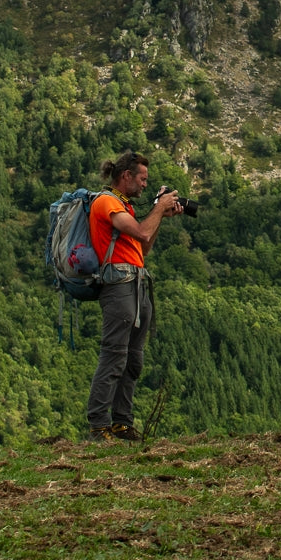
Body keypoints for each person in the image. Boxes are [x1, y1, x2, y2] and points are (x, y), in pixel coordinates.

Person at [86, 149, 183, 441]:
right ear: (126, 176)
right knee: (114, 356)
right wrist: (158, 207)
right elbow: (141, 233)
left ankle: (122, 423)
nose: (144, 185)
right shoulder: (107, 203)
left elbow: (142, 250)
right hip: (118, 287)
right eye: (141, 179)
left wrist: (161, 215)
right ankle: (99, 425)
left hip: (136, 282)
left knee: (132, 359)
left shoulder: (124, 207)